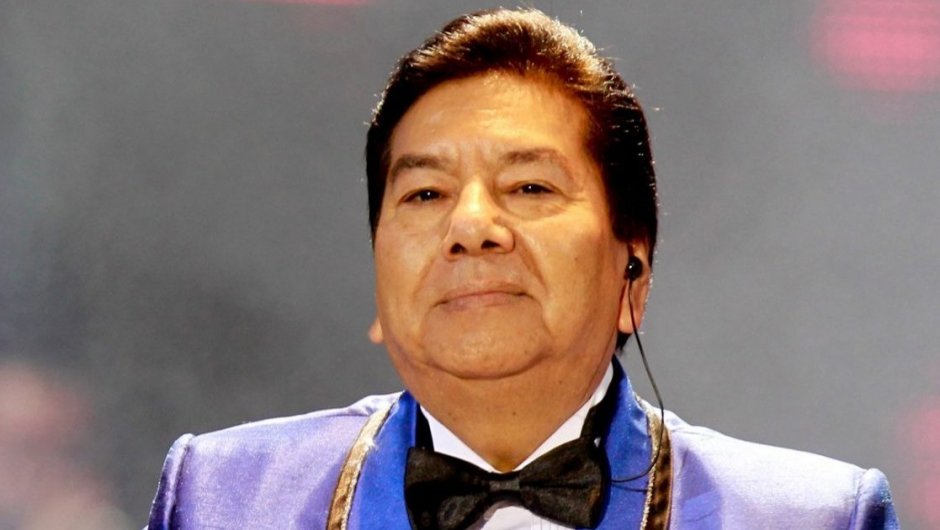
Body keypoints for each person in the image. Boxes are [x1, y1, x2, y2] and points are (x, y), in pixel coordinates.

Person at [147, 8, 899, 529]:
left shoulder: (810, 516)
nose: (471, 227)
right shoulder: (222, 498)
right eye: (425, 193)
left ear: (634, 272)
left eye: (530, 187)